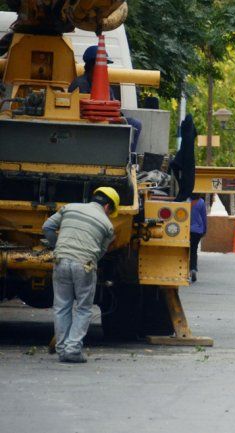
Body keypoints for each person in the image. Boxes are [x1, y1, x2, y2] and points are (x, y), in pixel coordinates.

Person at [42, 187, 118, 363]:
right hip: (85, 265)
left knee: (62, 306)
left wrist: (57, 246)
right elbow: (100, 252)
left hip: (61, 260)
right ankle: (73, 349)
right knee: (83, 308)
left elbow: (47, 227)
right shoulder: (107, 226)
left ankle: (62, 349)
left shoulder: (70, 208)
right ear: (107, 207)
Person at [69, 46, 142, 153]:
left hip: (107, 120)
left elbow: (114, 108)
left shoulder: (105, 85)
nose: (106, 68)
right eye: (104, 65)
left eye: (106, 65)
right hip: (88, 123)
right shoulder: (79, 84)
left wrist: (119, 117)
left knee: (136, 124)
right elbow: (84, 111)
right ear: (92, 65)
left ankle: (128, 157)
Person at [189, 193, 207, 283]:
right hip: (197, 231)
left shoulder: (186, 201)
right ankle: (193, 269)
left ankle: (185, 270)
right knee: (194, 250)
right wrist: (204, 230)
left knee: (185, 250)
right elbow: (204, 217)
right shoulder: (201, 202)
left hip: (186, 230)